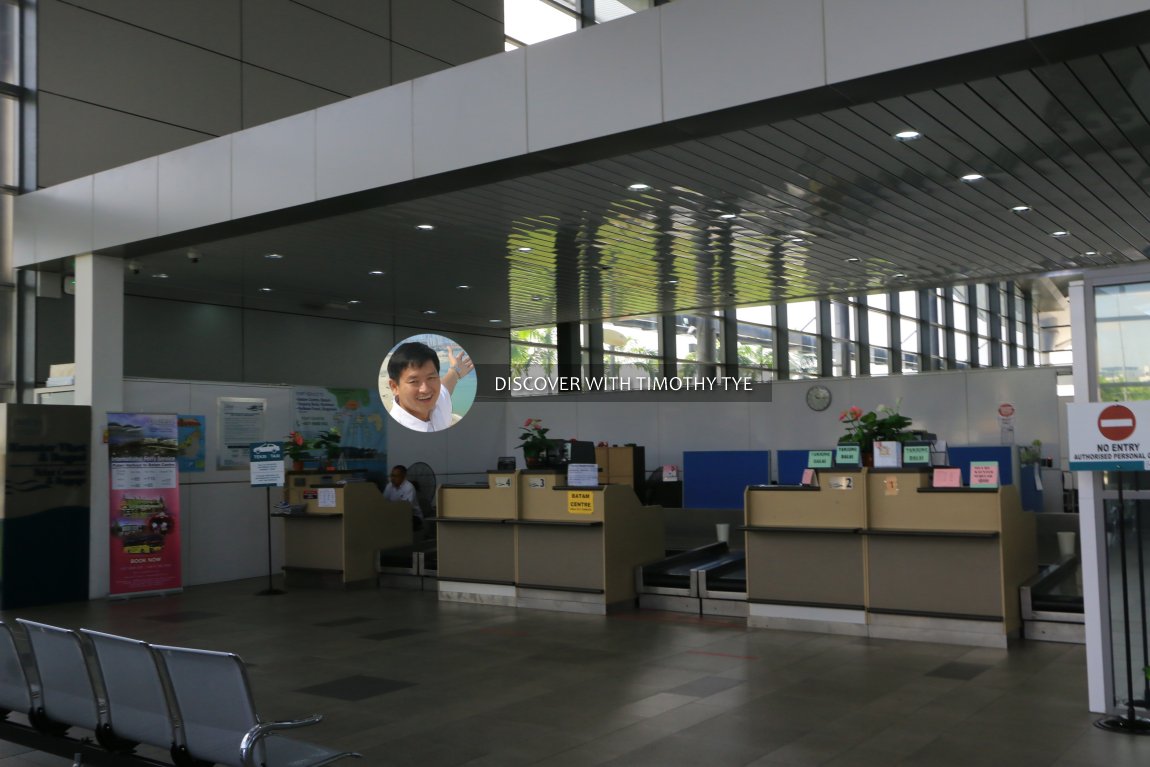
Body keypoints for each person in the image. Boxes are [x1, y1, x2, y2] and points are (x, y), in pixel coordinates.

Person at [385, 341, 473, 432]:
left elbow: (447, 383)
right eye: (414, 381)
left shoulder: (438, 402)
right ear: (394, 387)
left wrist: (456, 370)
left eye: (431, 378)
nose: (425, 389)